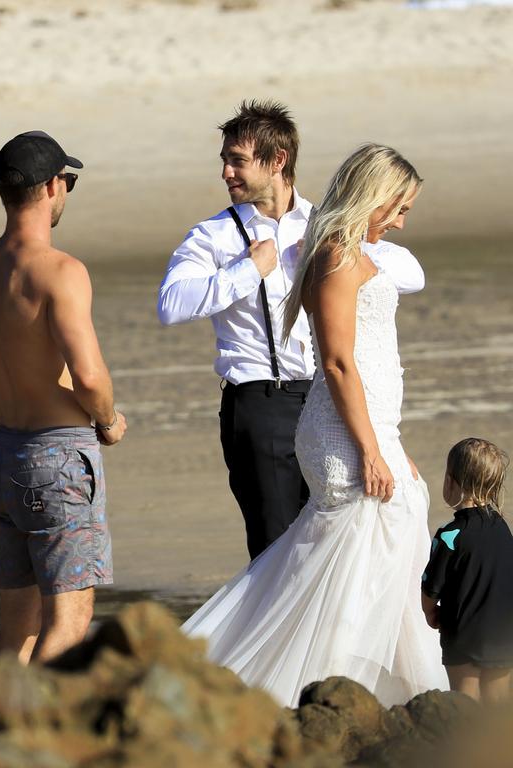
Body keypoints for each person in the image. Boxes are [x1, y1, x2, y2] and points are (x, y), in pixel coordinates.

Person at [182, 143, 448, 707]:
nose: (402, 221)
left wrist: (389, 444)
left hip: (370, 426)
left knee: (383, 541)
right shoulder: (336, 256)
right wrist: (373, 451)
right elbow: (337, 361)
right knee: (358, 554)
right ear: (373, 197)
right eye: (398, 207)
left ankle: (382, 691)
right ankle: (320, 691)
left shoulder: (350, 249)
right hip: (344, 432)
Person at [157, 101, 426, 560]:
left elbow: (411, 272)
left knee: (343, 545)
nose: (226, 172)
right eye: (225, 160)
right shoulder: (213, 236)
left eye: (237, 160)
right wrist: (247, 270)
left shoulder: (324, 226)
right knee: (277, 551)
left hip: (329, 401)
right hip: (261, 405)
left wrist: (331, 254)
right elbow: (170, 305)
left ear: (277, 161)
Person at [0, 131, 127, 664]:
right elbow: (91, 376)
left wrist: (19, 392)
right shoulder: (61, 272)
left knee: (16, 630)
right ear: (52, 186)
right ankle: (39, 737)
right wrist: (108, 420)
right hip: (58, 457)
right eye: (66, 182)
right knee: (68, 626)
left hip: (3, 456)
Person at [422, 438, 513, 703]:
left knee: (465, 703)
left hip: (462, 635)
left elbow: (431, 585)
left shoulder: (450, 535)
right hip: (503, 633)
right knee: (498, 705)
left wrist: (430, 612)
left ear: (450, 482)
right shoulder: (503, 530)